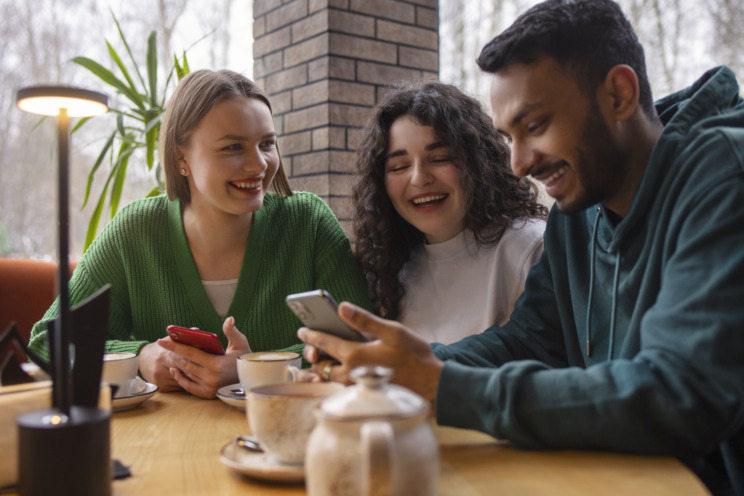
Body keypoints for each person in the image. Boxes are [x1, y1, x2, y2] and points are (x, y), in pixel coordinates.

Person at [297, 1, 744, 494]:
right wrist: (405, 363)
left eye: (535, 127)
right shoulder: (577, 211)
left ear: (619, 94)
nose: (519, 163)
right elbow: (531, 340)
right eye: (510, 136)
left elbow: (681, 394)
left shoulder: (723, 176)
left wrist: (443, 387)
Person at [28, 69, 372, 399]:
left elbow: (364, 344)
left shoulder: (308, 223)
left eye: (267, 143)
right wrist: (141, 357)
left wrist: (249, 369)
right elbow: (46, 343)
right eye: (233, 147)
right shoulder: (134, 232)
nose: (259, 164)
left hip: (291, 437)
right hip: (167, 447)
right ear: (182, 157)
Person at [352, 81, 546, 343]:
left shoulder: (530, 247)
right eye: (399, 166)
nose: (419, 179)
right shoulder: (389, 269)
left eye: (440, 158)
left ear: (479, 163)